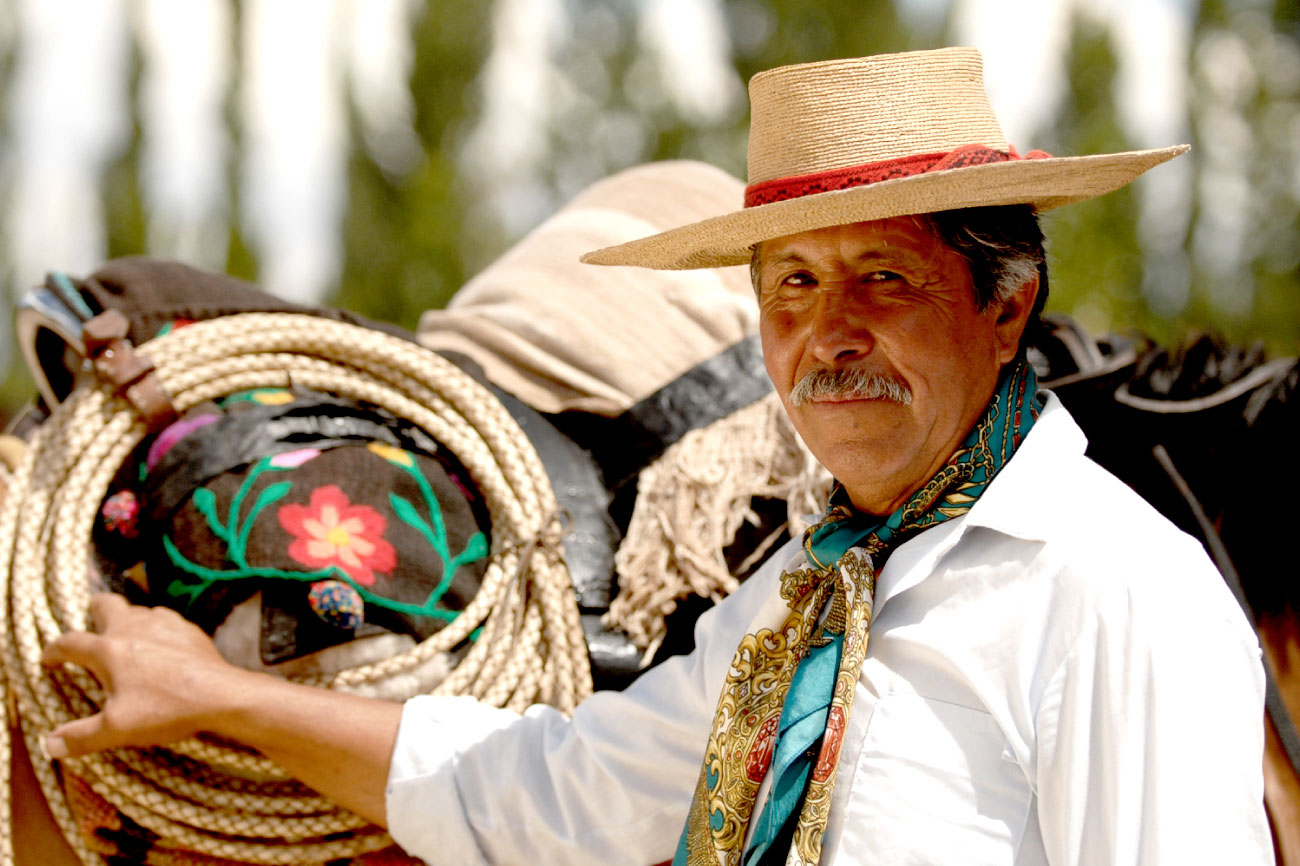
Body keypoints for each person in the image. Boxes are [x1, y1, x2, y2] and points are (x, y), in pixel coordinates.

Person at [40, 47, 1272, 865]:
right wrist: (225, 697)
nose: (826, 334)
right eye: (791, 284)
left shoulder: (1120, 595)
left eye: (882, 277)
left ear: (1006, 301)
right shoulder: (803, 602)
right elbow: (546, 789)